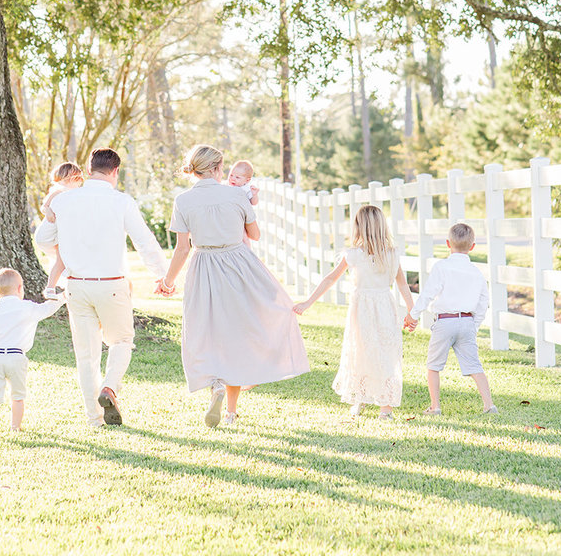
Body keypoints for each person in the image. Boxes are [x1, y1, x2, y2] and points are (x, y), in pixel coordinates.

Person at [156, 143, 309, 428]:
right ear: (217, 168)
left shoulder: (183, 200)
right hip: (238, 265)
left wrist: (168, 281)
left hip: (203, 267)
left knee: (205, 331)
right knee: (239, 334)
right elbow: (255, 234)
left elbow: (182, 248)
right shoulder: (236, 195)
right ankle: (230, 412)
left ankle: (214, 383)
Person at [33, 147, 168, 429]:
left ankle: (94, 418)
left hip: (77, 287)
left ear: (89, 169)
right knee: (121, 341)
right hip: (111, 285)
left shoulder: (64, 201)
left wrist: (63, 254)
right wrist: (162, 276)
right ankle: (109, 387)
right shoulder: (121, 201)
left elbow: (43, 239)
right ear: (115, 171)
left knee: (86, 357)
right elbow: (144, 241)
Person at [294, 204, 414, 420]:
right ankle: (364, 398)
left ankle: (384, 406)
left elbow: (330, 278)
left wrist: (412, 312)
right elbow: (403, 286)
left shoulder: (383, 254)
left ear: (359, 227)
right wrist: (308, 302)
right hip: (376, 308)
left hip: (372, 309)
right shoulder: (362, 254)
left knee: (371, 352)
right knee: (374, 352)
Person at [404, 221, 497, 416]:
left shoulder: (442, 267)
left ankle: (435, 406)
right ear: (472, 246)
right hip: (467, 322)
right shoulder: (476, 272)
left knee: (433, 366)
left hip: (445, 322)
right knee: (474, 366)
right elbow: (483, 302)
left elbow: (428, 294)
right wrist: (474, 325)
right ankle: (489, 405)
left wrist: (413, 315)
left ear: (448, 243)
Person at [0, 267, 64, 437]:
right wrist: (62, 297)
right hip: (16, 356)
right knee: (17, 396)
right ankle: (15, 427)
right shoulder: (27, 307)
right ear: (20, 288)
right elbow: (47, 308)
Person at [39, 161, 84, 298]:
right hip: (51, 234)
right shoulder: (59, 192)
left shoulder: (76, 194)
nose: (76, 181)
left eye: (78, 178)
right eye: (72, 178)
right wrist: (48, 211)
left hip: (60, 233)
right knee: (61, 260)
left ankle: (58, 288)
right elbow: (44, 206)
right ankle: (50, 288)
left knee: (63, 260)